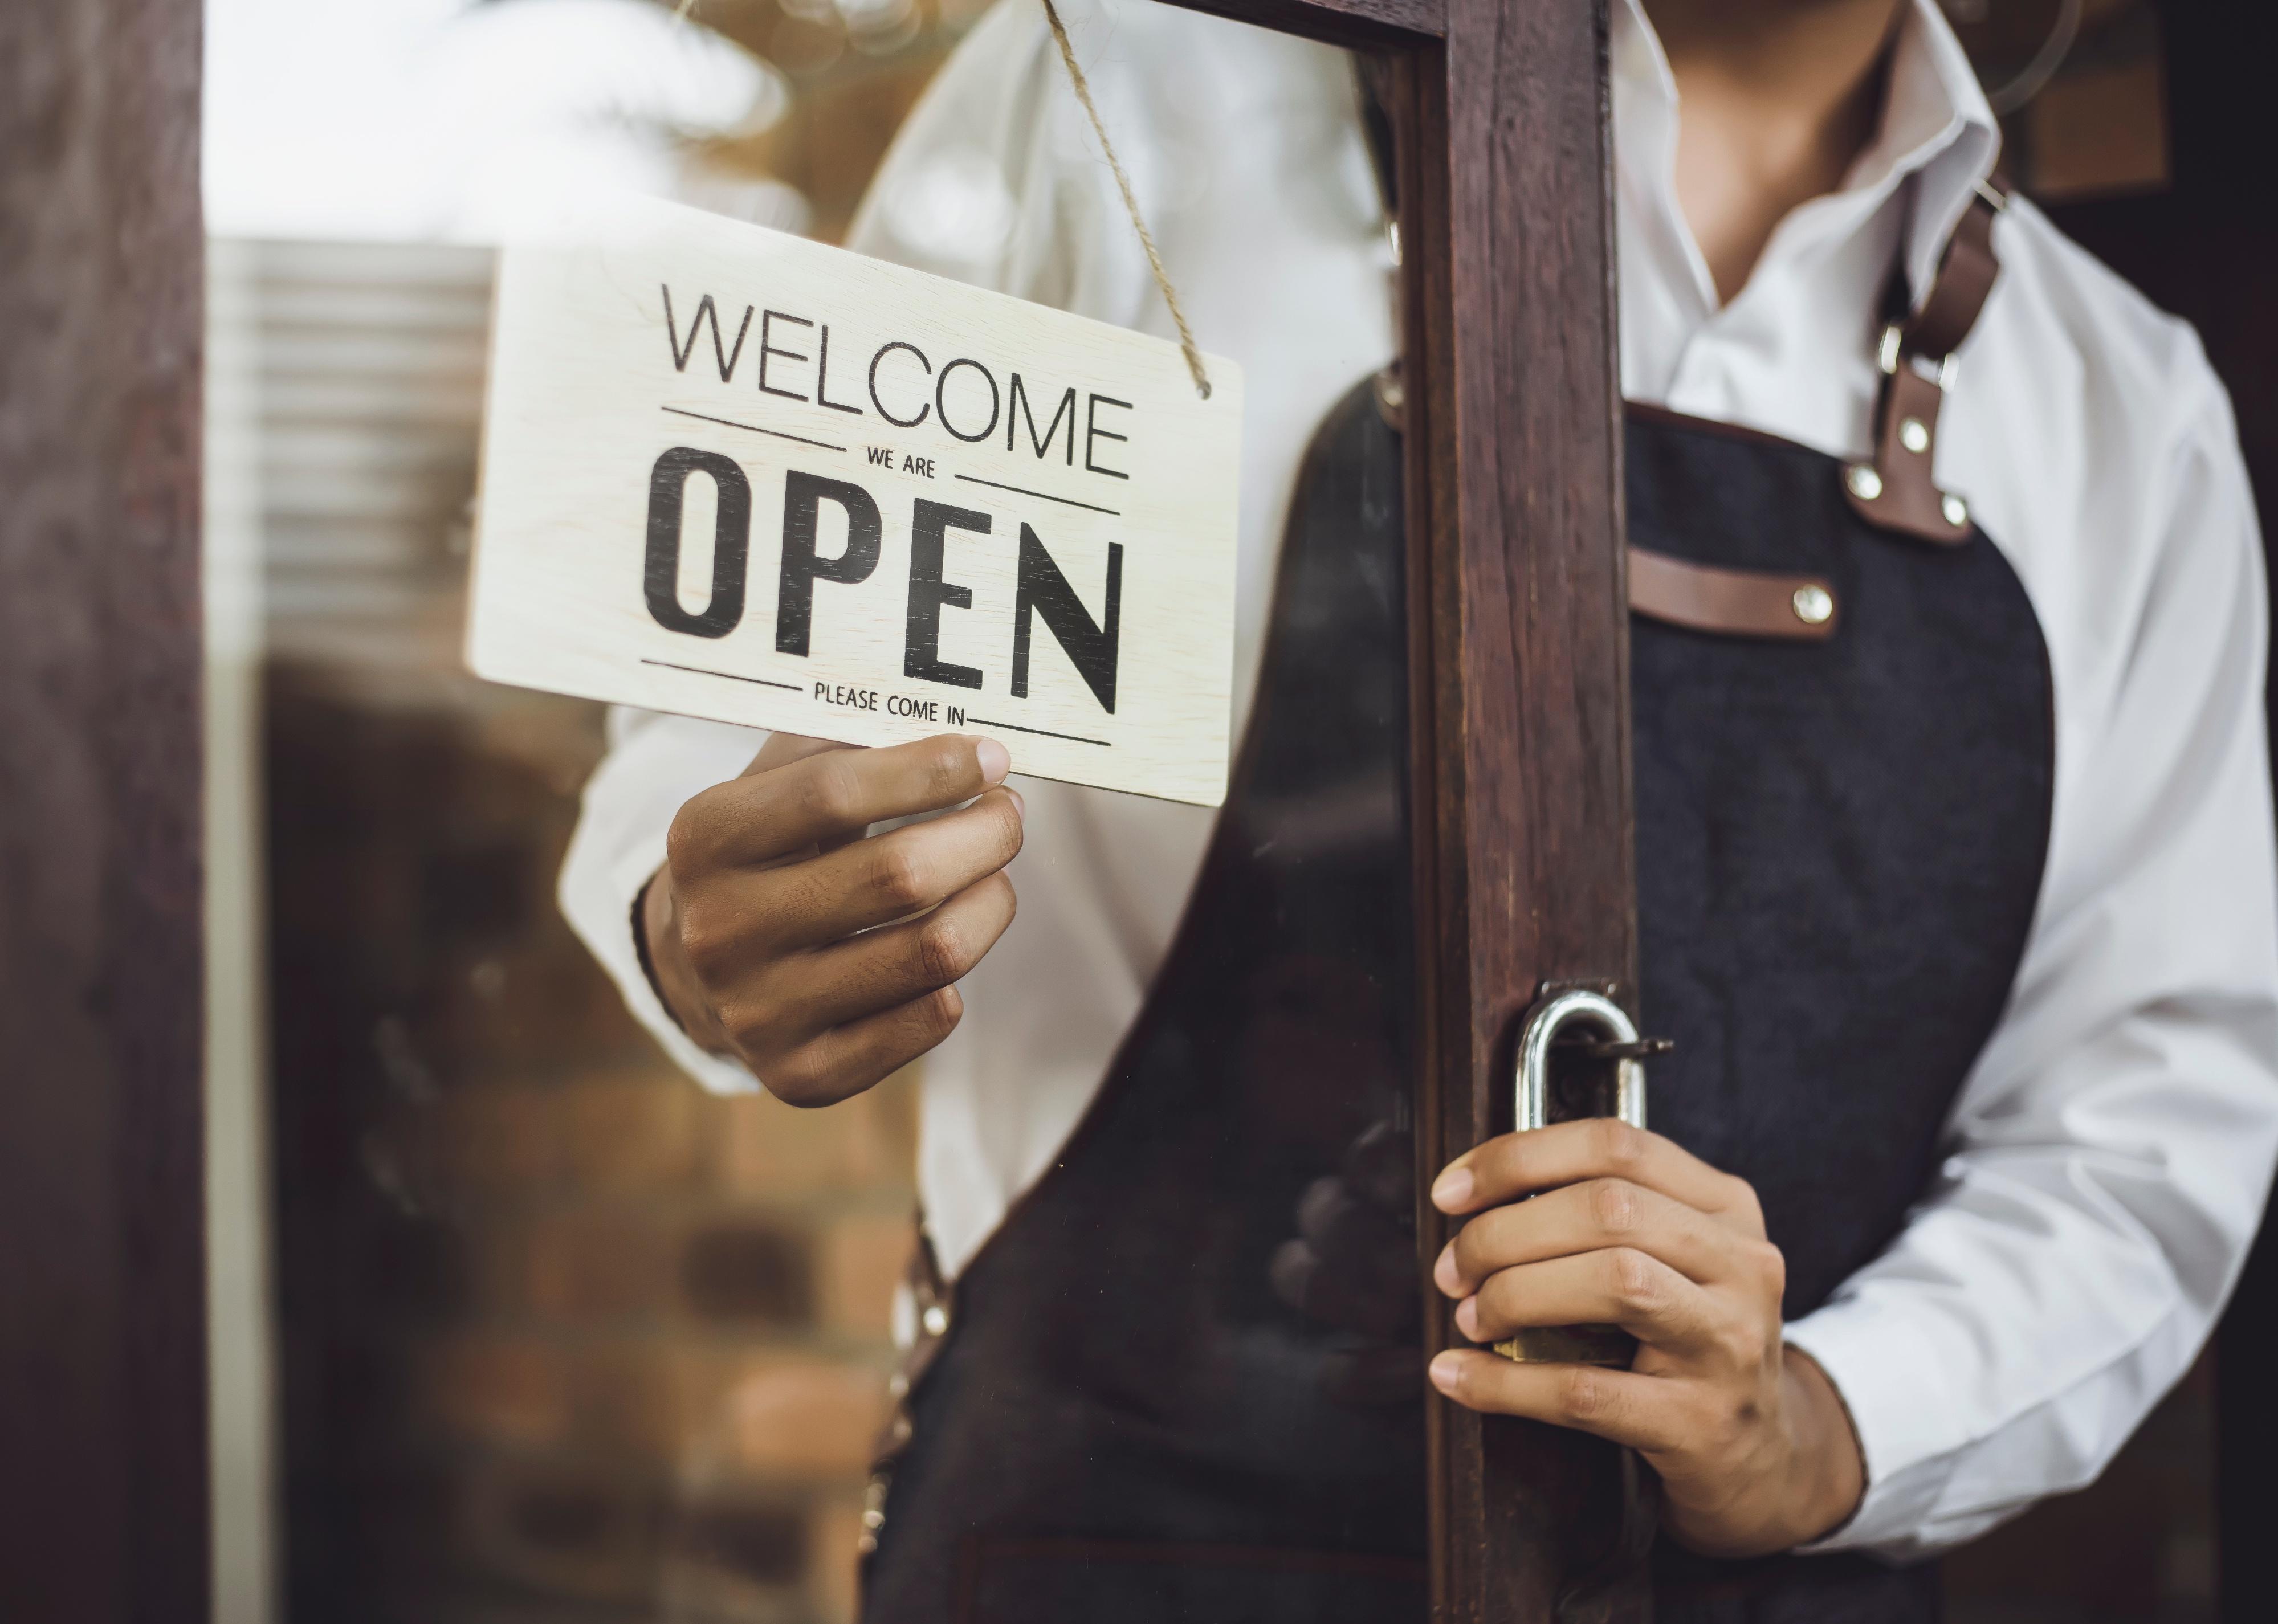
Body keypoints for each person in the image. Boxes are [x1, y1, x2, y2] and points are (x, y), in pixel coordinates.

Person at [559, 0, 2278, 1617]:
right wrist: (702, 916)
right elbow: (727, 722)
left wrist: (1819, 1421)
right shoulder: (1136, 83)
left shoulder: (2126, 413)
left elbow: (2144, 1130)